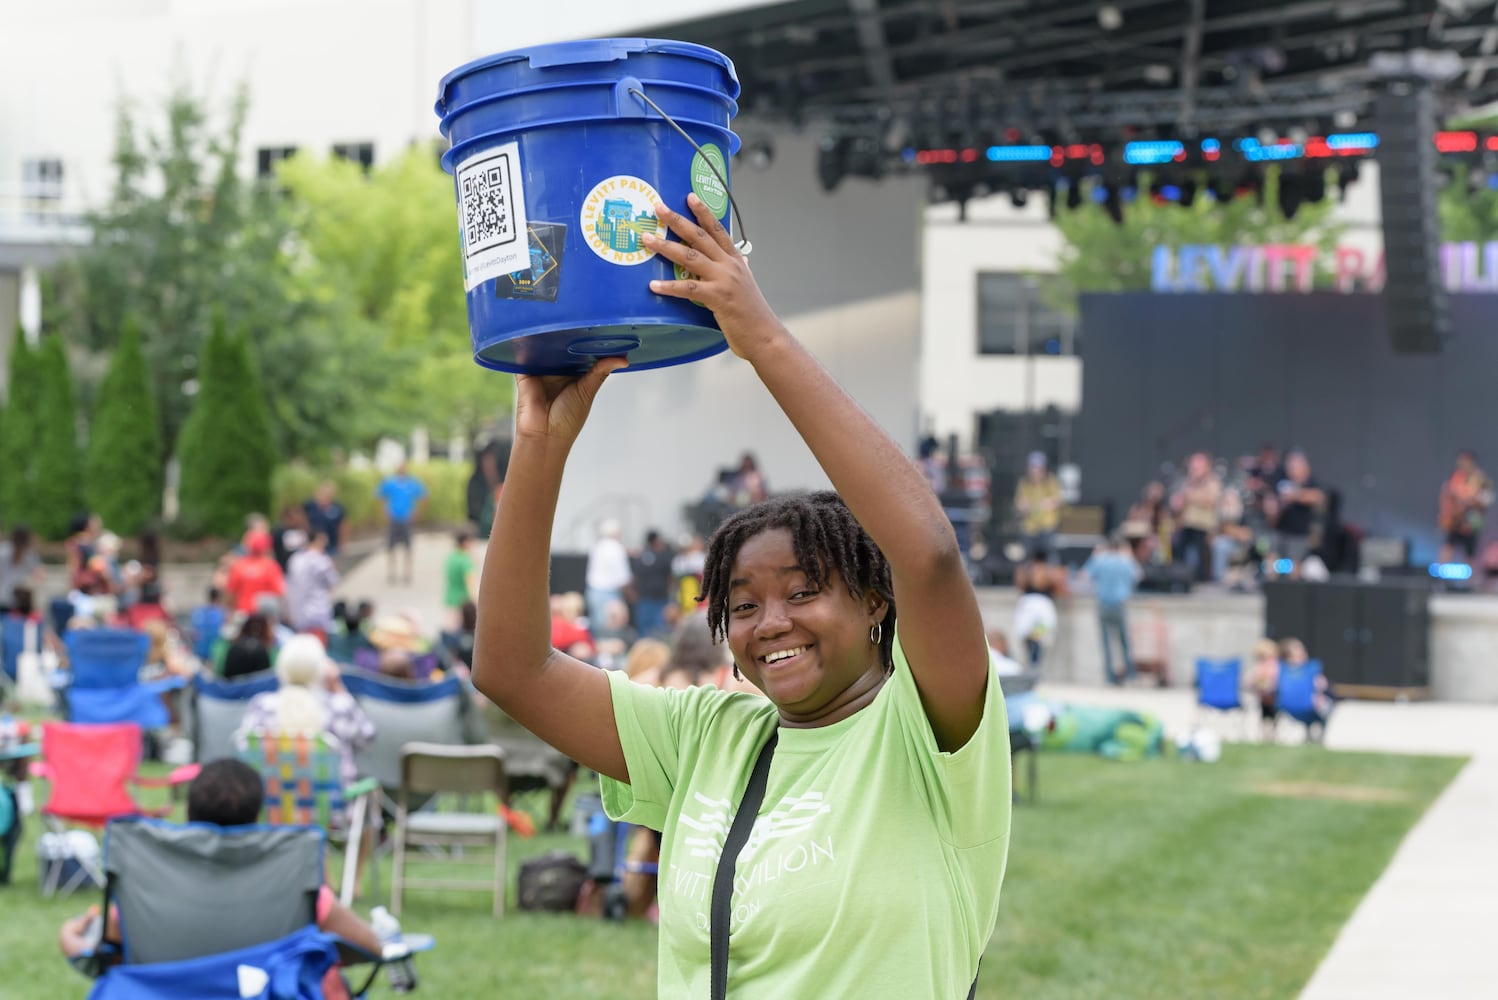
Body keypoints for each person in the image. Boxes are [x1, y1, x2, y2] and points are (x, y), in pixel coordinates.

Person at [472, 194, 1008, 998]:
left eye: (804, 590)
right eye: (745, 605)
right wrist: (540, 446)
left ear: (874, 604)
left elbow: (928, 554)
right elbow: (511, 669)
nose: (772, 623)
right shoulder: (706, 737)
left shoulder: (929, 731)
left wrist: (758, 338)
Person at [58, 758, 383, 1000]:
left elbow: (104, 950)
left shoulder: (148, 886)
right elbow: (370, 947)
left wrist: (69, 938)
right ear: (256, 819)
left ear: (189, 815)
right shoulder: (301, 889)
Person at [236, 634, 375, 789]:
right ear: (322, 669)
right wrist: (337, 686)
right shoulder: (340, 707)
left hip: (270, 808)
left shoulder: (262, 706)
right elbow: (367, 740)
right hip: (329, 810)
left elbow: (244, 749)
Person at [1081, 536, 1141, 685]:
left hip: (1103, 605)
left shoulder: (1100, 560)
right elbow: (1139, 575)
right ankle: (1130, 675)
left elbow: (1083, 576)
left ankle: (1110, 677)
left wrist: (1095, 556)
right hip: (1120, 605)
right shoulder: (1126, 561)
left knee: (1106, 643)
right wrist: (1129, 556)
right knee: (1124, 642)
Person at [1012, 550, 1068, 671]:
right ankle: (1034, 664)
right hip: (1042, 606)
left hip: (1028, 604)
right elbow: (1061, 589)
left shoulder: (1027, 570)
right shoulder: (1050, 571)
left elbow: (1019, 585)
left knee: (1031, 637)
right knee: (1037, 637)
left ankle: (1032, 663)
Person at [1171, 452, 1222, 583]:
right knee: (1178, 546)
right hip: (1187, 524)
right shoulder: (1187, 482)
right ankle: (1180, 577)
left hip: (1204, 525)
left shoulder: (1212, 482)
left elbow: (1211, 500)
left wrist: (1190, 496)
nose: (1194, 469)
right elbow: (1181, 501)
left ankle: (1202, 580)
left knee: (1201, 551)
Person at [1438, 449, 1494, 567]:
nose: (1463, 464)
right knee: (1448, 546)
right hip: (1455, 520)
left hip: (1471, 520)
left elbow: (1486, 500)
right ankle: (1439, 580)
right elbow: (1446, 496)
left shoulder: (1480, 479)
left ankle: (1470, 582)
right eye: (1461, 461)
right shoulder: (1455, 477)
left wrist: (1471, 501)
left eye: (1466, 461)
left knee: (1470, 553)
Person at [377, 462, 427, 585]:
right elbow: (380, 495)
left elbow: (424, 496)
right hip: (394, 518)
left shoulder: (412, 483)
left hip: (406, 519)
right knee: (391, 547)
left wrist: (416, 512)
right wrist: (385, 510)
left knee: (408, 548)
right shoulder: (390, 482)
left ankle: (407, 573)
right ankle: (392, 573)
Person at [286, 531, 340, 640]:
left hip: (298, 613)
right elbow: (333, 581)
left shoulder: (295, 559)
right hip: (318, 611)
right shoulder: (320, 560)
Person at [224, 530, 286, 616]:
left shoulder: (239, 565)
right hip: (265, 616)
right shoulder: (271, 566)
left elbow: (230, 594)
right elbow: (280, 593)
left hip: (243, 614)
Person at [584, 519, 632, 628]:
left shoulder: (597, 546)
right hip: (610, 594)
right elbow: (623, 578)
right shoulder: (617, 548)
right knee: (611, 629)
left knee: (597, 628)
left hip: (593, 592)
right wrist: (630, 594)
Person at [1014, 451, 1062, 558]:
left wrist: (1047, 503)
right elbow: (1019, 502)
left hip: (1047, 525)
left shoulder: (1051, 481)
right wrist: (1023, 506)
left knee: (1049, 552)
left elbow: (1057, 500)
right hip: (1029, 525)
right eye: (1032, 467)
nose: (1035, 471)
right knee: (1026, 554)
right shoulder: (1024, 482)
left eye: (1037, 468)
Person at [631, 529, 675, 639]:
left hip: (644, 597)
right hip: (659, 598)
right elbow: (670, 577)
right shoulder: (663, 556)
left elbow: (635, 577)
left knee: (644, 630)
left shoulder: (640, 557)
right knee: (660, 630)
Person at [0, 524, 43, 615]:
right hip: (20, 598)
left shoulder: (3, 549)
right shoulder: (29, 552)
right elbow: (39, 575)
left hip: (3, 595)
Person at [443, 529, 477, 629]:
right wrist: (474, 601)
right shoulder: (466, 560)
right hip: (463, 603)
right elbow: (470, 582)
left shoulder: (451, 557)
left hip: (450, 599)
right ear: (466, 542)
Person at [1248, 638, 1281, 742]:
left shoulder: (1275, 665)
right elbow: (1251, 680)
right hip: (1264, 698)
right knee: (1266, 717)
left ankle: (1271, 735)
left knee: (1272, 717)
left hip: (1274, 697)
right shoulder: (1260, 666)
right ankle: (1267, 735)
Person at [303, 481, 347, 558]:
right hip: (313, 545)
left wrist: (341, 544)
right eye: (322, 494)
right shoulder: (309, 506)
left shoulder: (338, 508)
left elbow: (343, 527)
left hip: (331, 545)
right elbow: (303, 521)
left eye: (327, 495)